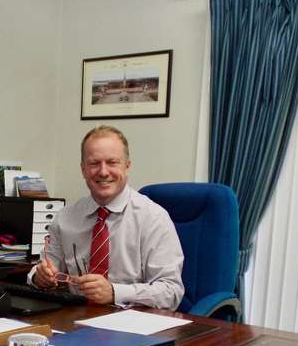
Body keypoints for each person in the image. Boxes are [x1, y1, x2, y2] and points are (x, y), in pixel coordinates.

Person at [29, 125, 184, 310]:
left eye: (112, 162)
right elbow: (44, 267)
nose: (103, 172)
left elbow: (171, 292)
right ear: (83, 169)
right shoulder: (64, 218)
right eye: (94, 163)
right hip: (76, 319)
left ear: (127, 166)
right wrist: (40, 277)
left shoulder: (154, 218)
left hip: (134, 325)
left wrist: (114, 292)